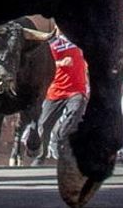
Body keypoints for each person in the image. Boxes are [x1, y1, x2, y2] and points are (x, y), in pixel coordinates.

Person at [34, 24, 89, 165]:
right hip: (55, 90)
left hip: (76, 89)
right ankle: (42, 154)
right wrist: (60, 63)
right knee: (43, 125)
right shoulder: (50, 43)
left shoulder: (80, 40)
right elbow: (44, 64)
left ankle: (60, 135)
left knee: (76, 110)